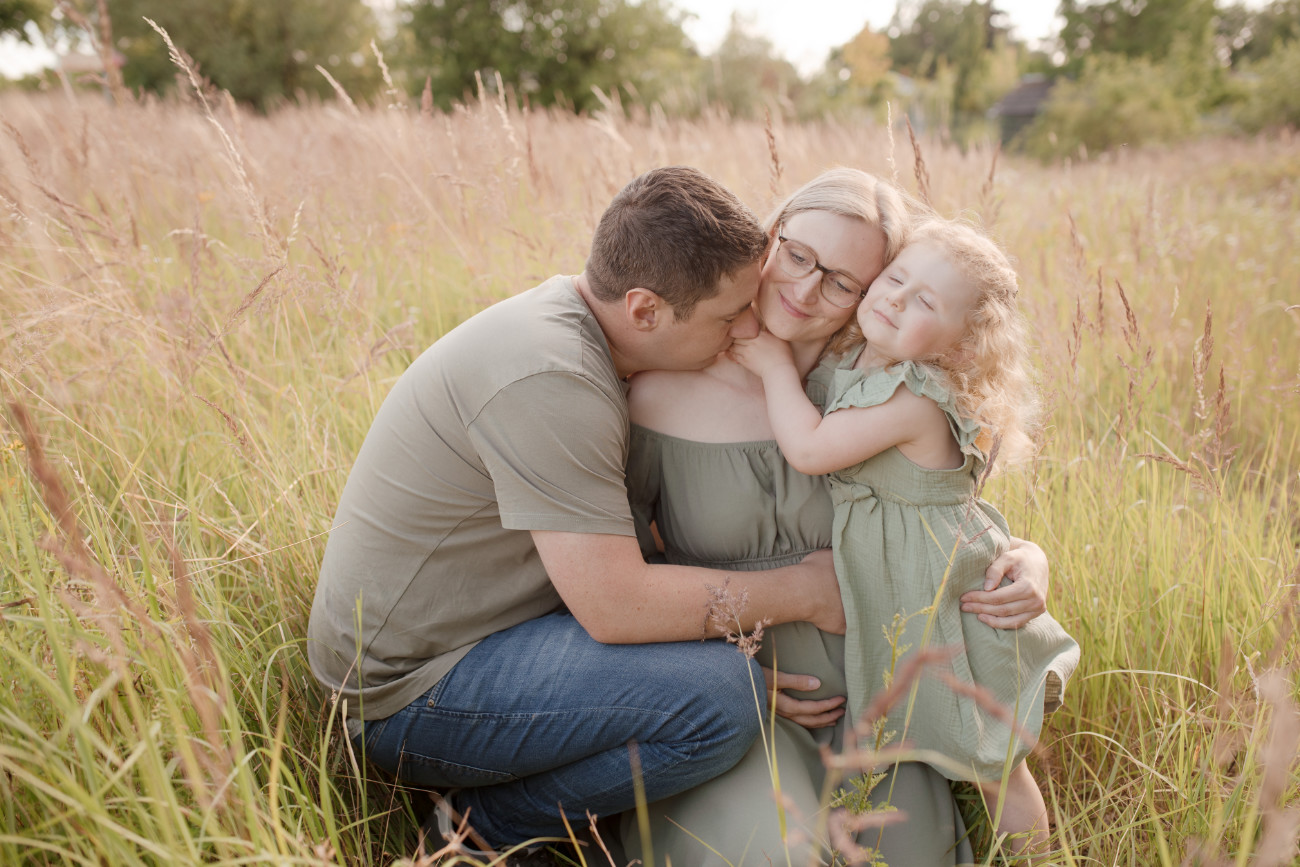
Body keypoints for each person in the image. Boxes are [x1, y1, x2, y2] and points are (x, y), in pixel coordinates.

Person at [305, 165, 851, 852]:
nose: (749, 324)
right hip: (409, 692)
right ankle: (473, 833)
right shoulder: (555, 377)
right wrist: (802, 591)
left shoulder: (579, 332)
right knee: (719, 699)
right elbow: (616, 604)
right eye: (728, 314)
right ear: (646, 309)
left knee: (705, 681)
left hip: (485, 635)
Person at [622, 169, 1057, 866]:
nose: (804, 289)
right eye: (796, 255)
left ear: (868, 294)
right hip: (745, 705)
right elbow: (620, 576)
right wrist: (715, 679)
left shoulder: (872, 380)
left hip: (879, 697)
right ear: (768, 238)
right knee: (774, 855)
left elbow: (944, 513)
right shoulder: (658, 390)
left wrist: (1029, 560)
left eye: (843, 282)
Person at [729, 214, 1080, 857]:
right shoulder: (852, 354)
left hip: (950, 595)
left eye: (925, 301)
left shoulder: (916, 396)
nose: (893, 298)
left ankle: (1036, 857)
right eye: (894, 278)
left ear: (960, 346)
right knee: (937, 738)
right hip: (906, 590)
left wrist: (775, 366)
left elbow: (808, 449)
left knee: (993, 761)